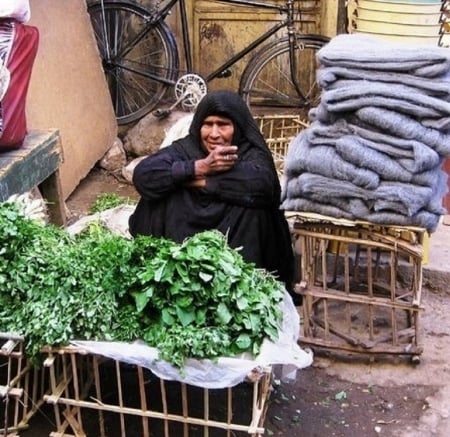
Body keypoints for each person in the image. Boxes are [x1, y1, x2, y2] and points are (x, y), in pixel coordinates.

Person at [129, 89, 296, 297]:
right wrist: (199, 167)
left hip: (236, 248)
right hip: (183, 246)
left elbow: (264, 185)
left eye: (223, 125)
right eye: (208, 124)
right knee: (159, 190)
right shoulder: (187, 148)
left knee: (256, 205)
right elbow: (144, 175)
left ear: (237, 127)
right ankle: (169, 276)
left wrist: (199, 181)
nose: (214, 134)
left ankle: (242, 287)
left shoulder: (250, 152)